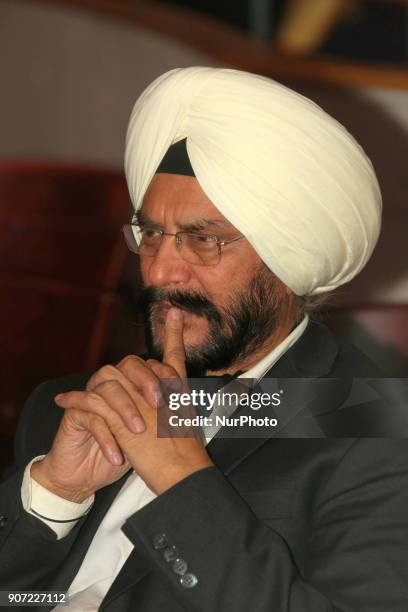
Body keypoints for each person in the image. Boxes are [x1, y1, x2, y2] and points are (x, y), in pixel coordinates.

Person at [0, 67, 407, 612]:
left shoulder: (373, 423)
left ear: (288, 260)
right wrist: (55, 498)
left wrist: (181, 479)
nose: (161, 273)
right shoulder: (71, 409)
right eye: (151, 235)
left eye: (203, 240)